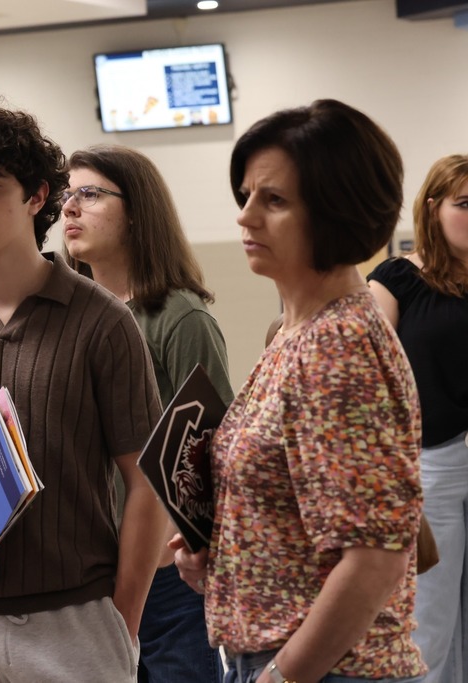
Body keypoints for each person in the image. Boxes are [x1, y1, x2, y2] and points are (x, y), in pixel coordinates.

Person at [0, 102, 166, 683]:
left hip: (75, 622)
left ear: (37, 196)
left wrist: (124, 616)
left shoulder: (105, 322)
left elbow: (146, 482)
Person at [173, 99, 426, 683]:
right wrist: (224, 560)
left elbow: (375, 556)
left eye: (275, 200)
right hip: (280, 654)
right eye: (246, 196)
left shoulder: (338, 344)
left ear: (336, 213)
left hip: (326, 668)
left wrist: (284, 676)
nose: (246, 217)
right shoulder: (296, 332)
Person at [62, 144, 231, 683]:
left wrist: (181, 547)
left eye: (89, 194)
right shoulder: (69, 317)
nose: (69, 207)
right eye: (66, 195)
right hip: (89, 564)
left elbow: (211, 447)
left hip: (164, 572)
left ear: (136, 210)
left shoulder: (177, 315)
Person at [367, 154, 468, 683]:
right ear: (432, 208)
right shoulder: (398, 278)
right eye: (466, 204)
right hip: (429, 462)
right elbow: (364, 373)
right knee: (428, 616)